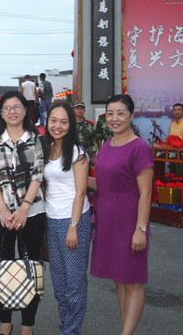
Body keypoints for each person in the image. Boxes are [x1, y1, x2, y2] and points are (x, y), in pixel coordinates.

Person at [89, 94, 153, 335]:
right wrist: (71, 178)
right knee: (119, 279)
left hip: (130, 220)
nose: (115, 118)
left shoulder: (139, 148)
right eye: (110, 114)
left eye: (121, 113)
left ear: (131, 116)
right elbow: (103, 184)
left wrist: (140, 229)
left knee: (133, 281)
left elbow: (146, 193)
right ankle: (129, 331)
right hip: (107, 218)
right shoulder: (106, 145)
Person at [0, 90, 45, 335]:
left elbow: (38, 174)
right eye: (7, 108)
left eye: (17, 107)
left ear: (25, 110)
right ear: (0, 113)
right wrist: (2, 208)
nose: (12, 111)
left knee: (32, 266)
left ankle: (27, 325)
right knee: (3, 265)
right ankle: (5, 322)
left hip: (32, 211)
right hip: (0, 213)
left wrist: (24, 208)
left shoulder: (35, 139)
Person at [43, 103, 92, 335]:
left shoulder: (78, 152)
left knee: (74, 282)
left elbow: (81, 192)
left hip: (73, 220)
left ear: (71, 125)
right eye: (53, 120)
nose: (57, 126)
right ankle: (67, 326)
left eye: (63, 121)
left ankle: (72, 330)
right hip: (51, 219)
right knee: (59, 281)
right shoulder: (47, 149)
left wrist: (73, 227)